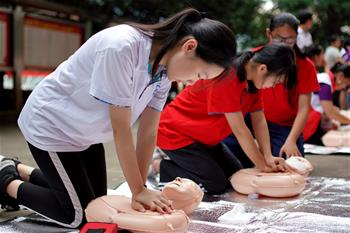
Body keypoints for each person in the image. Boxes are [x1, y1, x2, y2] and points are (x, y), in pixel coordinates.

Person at [0, 8, 236, 228]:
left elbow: (147, 132)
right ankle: (5, 181)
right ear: (189, 46)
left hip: (86, 132)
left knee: (97, 202)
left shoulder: (164, 73)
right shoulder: (121, 46)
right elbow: (121, 130)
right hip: (53, 124)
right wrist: (138, 190)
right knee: (79, 216)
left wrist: (140, 188)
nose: (194, 81)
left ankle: (18, 168)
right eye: (199, 73)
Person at [152, 43, 296, 194]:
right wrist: (262, 165)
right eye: (276, 81)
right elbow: (240, 130)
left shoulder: (253, 83)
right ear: (262, 69)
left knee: (235, 176)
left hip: (204, 138)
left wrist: (268, 156)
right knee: (215, 184)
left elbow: (259, 120)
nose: (273, 86)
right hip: (175, 134)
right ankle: (160, 166)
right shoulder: (228, 77)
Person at [224, 12, 319, 167]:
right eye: (279, 39)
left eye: (290, 39)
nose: (285, 43)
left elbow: (303, 109)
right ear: (269, 33)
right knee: (232, 158)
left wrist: (291, 140)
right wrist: (262, 160)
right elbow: (246, 122)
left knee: (290, 165)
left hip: (282, 125)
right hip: (247, 118)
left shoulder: (305, 65)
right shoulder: (254, 59)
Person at [303, 46, 350, 145]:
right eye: (347, 84)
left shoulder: (326, 82)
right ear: (341, 76)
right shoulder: (325, 83)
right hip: (307, 123)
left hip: (309, 120)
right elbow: (330, 112)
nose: (345, 87)